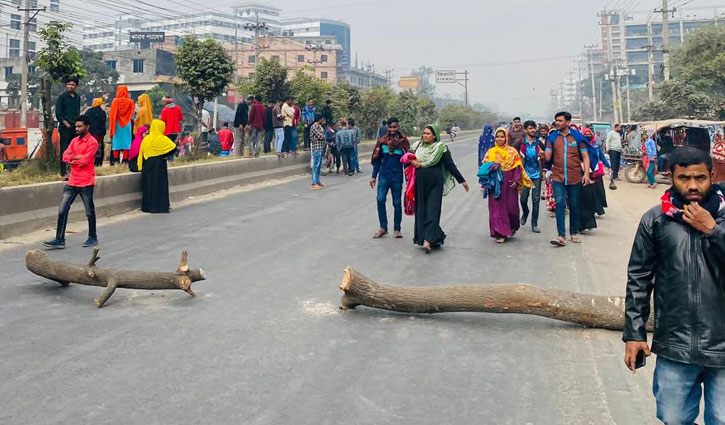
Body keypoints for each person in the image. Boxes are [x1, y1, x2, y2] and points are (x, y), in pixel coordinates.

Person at [623, 146, 725, 424]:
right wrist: (634, 333)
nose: (692, 186)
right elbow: (639, 279)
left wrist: (712, 231)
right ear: (671, 176)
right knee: (673, 418)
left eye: (700, 178)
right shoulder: (655, 220)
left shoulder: (721, 219)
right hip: (675, 346)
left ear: (712, 174)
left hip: (723, 348)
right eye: (684, 178)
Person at [408, 124, 469, 253]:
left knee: (433, 210)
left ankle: (428, 240)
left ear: (434, 135)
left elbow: (450, 165)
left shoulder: (441, 148)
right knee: (422, 211)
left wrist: (462, 180)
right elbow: (406, 158)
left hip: (435, 184)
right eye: (424, 133)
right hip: (420, 183)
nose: (425, 135)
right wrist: (412, 162)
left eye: (428, 133)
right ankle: (436, 236)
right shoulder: (417, 146)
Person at [43, 115, 98, 249]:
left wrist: (73, 158)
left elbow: (85, 161)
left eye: (80, 126)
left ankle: (92, 237)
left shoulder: (93, 142)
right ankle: (59, 239)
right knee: (62, 209)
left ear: (87, 127)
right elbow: (64, 156)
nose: (77, 129)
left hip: (86, 182)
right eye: (76, 126)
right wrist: (76, 157)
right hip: (72, 181)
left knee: (89, 211)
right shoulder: (74, 141)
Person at [545, 111, 591, 246]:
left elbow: (585, 157)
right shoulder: (552, 138)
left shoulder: (577, 137)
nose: (557, 123)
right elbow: (548, 157)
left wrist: (586, 174)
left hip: (575, 176)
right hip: (558, 176)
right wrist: (543, 155)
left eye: (560, 120)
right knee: (559, 204)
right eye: (556, 121)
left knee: (574, 205)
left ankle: (574, 232)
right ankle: (561, 236)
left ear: (567, 122)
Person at [482, 127, 533, 243]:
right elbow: (484, 168)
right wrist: (492, 168)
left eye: (502, 136)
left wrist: (516, 180)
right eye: (497, 137)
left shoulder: (512, 152)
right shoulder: (491, 152)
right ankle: (500, 233)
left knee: (511, 208)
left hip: (510, 183)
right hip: (495, 184)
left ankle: (511, 227)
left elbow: (517, 167)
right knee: (496, 209)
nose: (499, 139)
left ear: (506, 137)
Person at [370, 117, 409, 239]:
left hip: (397, 177)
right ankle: (383, 227)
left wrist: (408, 179)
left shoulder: (403, 143)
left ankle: (397, 229)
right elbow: (377, 161)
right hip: (384, 176)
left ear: (398, 127)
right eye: (390, 127)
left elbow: (407, 162)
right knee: (380, 200)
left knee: (397, 203)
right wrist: (373, 176)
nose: (392, 129)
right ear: (387, 128)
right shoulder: (382, 142)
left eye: (394, 127)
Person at [137, 119, 177, 213]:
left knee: (148, 185)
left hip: (147, 164)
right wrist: (164, 154)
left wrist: (140, 166)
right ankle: (159, 207)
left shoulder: (146, 139)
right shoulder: (163, 139)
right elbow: (173, 148)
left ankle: (147, 207)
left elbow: (141, 154)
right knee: (160, 186)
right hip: (159, 163)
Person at [578, 128, 610, 232]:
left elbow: (600, 156)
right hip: (580, 173)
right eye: (585, 134)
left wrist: (608, 166)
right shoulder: (580, 145)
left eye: (589, 134)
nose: (587, 136)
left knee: (595, 193)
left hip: (594, 172)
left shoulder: (595, 145)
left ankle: (595, 213)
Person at [519, 120, 545, 233]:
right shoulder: (520, 144)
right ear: (525, 130)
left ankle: (534, 224)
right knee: (523, 199)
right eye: (530, 128)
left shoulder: (539, 144)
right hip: (525, 176)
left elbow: (547, 158)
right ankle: (525, 212)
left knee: (536, 200)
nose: (533, 130)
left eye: (534, 128)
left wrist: (543, 159)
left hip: (536, 176)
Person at [55, 77, 80, 178]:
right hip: (65, 127)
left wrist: (77, 125)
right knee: (64, 150)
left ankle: (74, 171)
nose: (70, 86)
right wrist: (66, 124)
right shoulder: (62, 97)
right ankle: (63, 173)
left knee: (75, 150)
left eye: (73, 85)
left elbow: (77, 112)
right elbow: (58, 114)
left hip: (75, 127)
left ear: (76, 86)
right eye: (69, 84)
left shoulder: (77, 97)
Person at [109, 85, 135, 165]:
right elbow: (132, 115)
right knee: (126, 142)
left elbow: (112, 114)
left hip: (117, 124)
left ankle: (116, 160)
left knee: (117, 142)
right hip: (127, 124)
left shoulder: (115, 101)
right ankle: (125, 160)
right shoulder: (131, 101)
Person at [86, 98, 107, 167]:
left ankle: (91, 161)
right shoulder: (103, 112)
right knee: (99, 147)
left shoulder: (89, 112)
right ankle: (99, 162)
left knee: (91, 147)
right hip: (100, 134)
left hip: (91, 133)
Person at [309, 114, 326, 190]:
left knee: (319, 166)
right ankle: (313, 183)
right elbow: (321, 136)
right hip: (316, 148)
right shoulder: (314, 127)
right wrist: (322, 135)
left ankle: (318, 181)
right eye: (321, 119)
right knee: (315, 166)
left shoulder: (320, 127)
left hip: (321, 148)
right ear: (319, 120)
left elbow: (323, 136)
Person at [605, 123, 623, 189]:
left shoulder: (618, 134)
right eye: (619, 127)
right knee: (613, 164)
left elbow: (619, 142)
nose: (620, 129)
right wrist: (607, 148)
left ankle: (616, 176)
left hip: (618, 150)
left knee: (617, 164)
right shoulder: (611, 133)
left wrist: (621, 149)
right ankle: (612, 177)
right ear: (616, 127)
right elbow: (607, 141)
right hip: (613, 150)